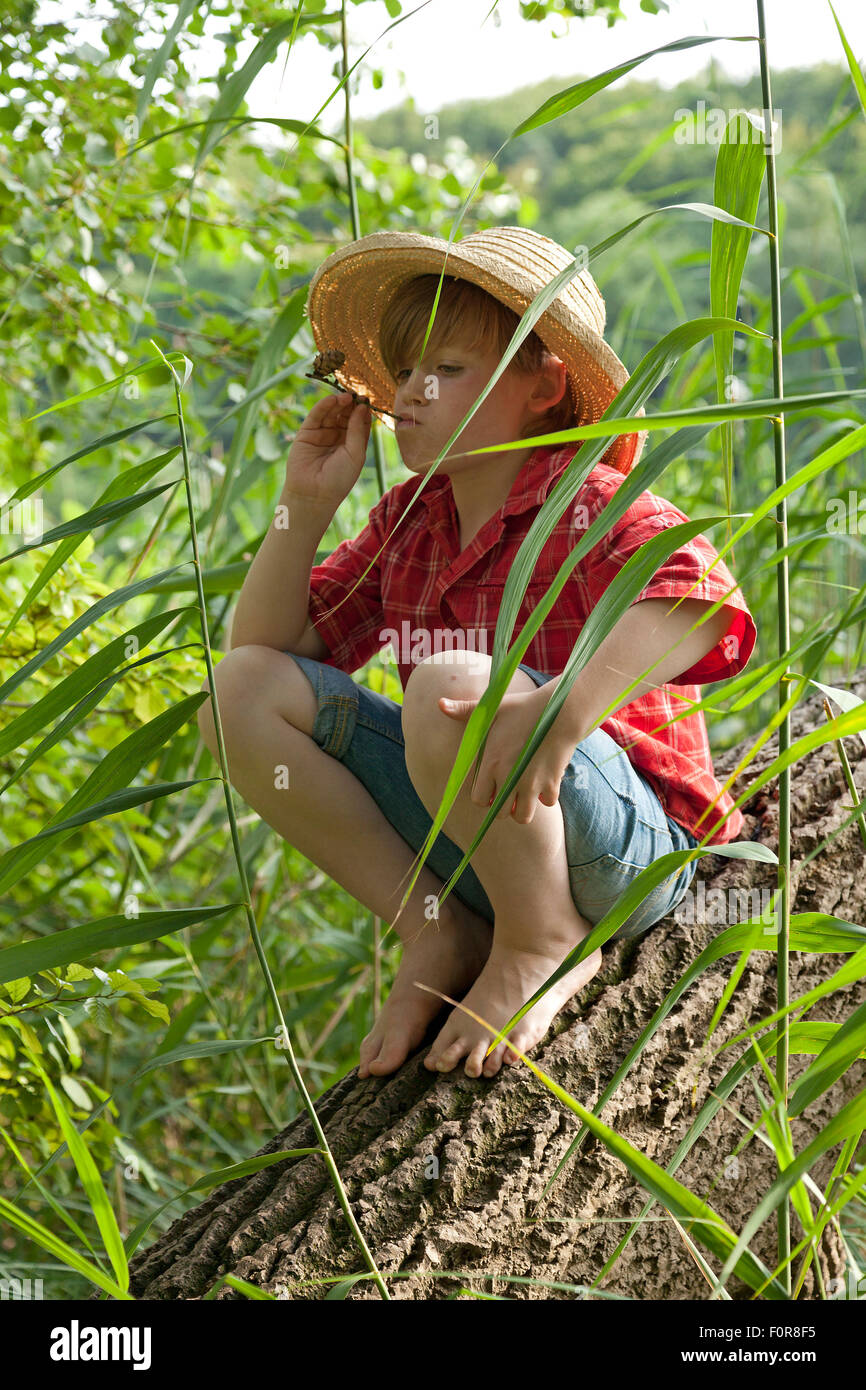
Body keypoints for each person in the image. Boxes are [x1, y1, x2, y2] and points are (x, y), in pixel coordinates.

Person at [197, 225, 757, 1083]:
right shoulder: (407, 521)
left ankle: (545, 941)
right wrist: (301, 508)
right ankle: (439, 926)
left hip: (620, 849)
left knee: (452, 684)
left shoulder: (589, 500)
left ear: (545, 385)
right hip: (476, 841)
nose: (412, 394)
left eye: (448, 370)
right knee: (235, 691)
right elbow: (268, 657)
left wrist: (565, 705)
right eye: (406, 373)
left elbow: (703, 603)